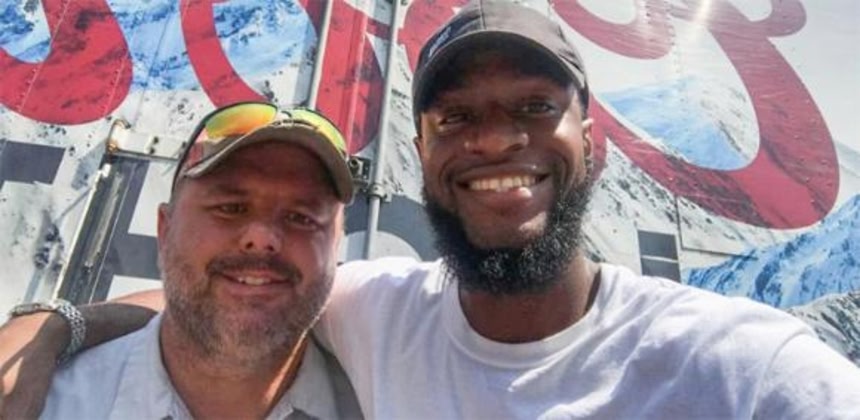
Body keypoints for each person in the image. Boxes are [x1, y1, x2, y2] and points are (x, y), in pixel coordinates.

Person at [3, 1, 860, 418]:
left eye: (535, 108)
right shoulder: (380, 314)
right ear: (424, 156)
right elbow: (227, 291)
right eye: (456, 118)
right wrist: (49, 328)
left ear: (593, 143)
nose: (496, 140)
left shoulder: (748, 371)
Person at [3, 103, 362, 419]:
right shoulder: (44, 405)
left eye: (301, 217)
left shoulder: (380, 401)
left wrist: (55, 324)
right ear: (165, 229)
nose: (263, 237)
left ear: (336, 249)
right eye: (231, 208)